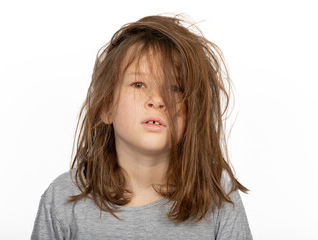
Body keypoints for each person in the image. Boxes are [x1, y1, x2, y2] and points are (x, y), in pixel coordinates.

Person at [31, 14, 253, 239]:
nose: (157, 100)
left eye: (175, 88)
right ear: (106, 106)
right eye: (138, 84)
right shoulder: (62, 199)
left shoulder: (218, 197)